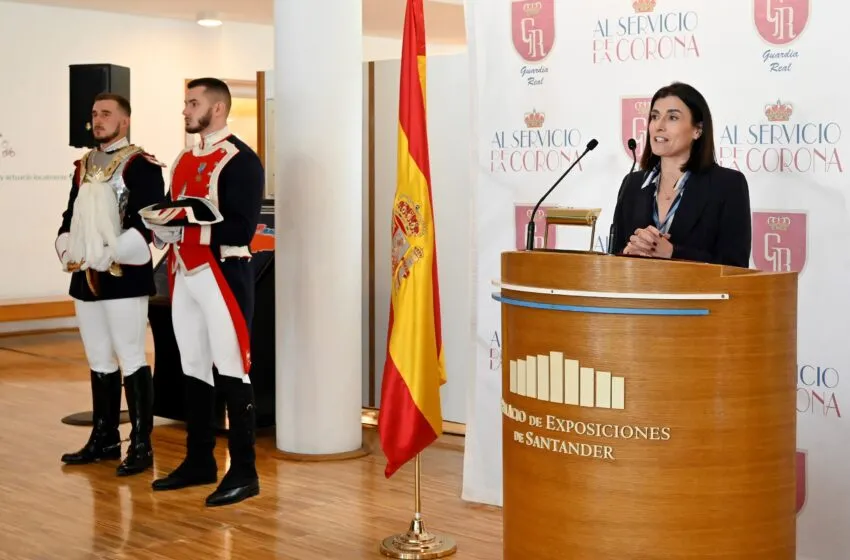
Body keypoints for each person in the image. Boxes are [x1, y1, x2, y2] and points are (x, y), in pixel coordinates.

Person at [141, 77, 264, 507]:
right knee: (192, 365)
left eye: (192, 103)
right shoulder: (182, 158)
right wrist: (162, 227)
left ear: (216, 109)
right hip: (184, 271)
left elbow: (242, 228)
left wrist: (187, 225)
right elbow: (174, 208)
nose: (185, 110)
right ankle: (199, 460)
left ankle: (245, 471)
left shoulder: (241, 160)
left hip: (224, 273)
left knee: (232, 366)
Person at [55, 92, 166, 476]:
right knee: (98, 358)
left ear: (125, 121)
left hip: (124, 276)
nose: (98, 120)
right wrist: (66, 243)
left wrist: (113, 251)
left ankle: (141, 444)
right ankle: (103, 437)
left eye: (106, 114)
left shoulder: (141, 165)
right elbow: (70, 213)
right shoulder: (83, 164)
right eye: (94, 113)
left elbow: (149, 222)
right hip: (86, 276)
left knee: (131, 357)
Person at [610, 82, 752, 268]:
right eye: (654, 116)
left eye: (672, 118)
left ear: (697, 130)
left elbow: (735, 266)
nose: (659, 126)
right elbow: (615, 254)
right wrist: (626, 254)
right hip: (638, 295)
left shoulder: (728, 185)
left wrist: (672, 253)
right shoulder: (632, 184)